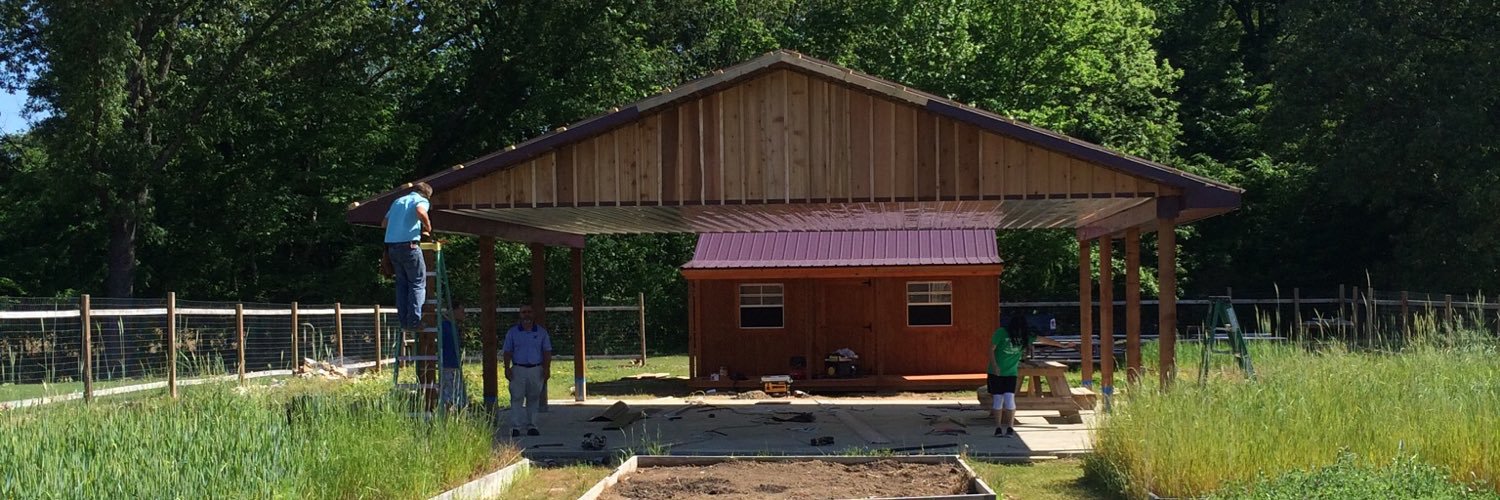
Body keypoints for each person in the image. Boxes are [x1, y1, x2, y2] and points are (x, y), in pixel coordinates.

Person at [989, 311, 1074, 437]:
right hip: (996, 373)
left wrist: (1062, 345)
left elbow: (1044, 340)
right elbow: (991, 349)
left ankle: (1010, 428)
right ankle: (998, 427)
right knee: (998, 399)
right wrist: (995, 365)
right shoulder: (1001, 332)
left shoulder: (1025, 336)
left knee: (1009, 398)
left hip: (1010, 372)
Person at [382, 182, 433, 332]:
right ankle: (415, 322)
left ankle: (404, 322)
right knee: (417, 283)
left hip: (392, 248)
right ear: (427, 195)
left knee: (402, 285)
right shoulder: (421, 200)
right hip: (409, 247)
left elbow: (384, 223)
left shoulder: (398, 201)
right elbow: (420, 211)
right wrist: (427, 226)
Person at [502, 304, 552, 438]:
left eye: (529, 312)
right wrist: (507, 368)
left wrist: (546, 368)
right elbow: (507, 352)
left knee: (534, 398)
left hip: (536, 369)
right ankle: (515, 427)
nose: (527, 315)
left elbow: (547, 351)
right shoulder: (512, 332)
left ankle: (532, 426)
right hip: (518, 369)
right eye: (524, 312)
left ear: (533, 314)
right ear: (520, 315)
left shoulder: (541, 332)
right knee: (517, 398)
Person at [438, 300, 468, 408]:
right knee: (448, 396)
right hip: (447, 365)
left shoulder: (454, 326)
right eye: (461, 311)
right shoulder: (444, 326)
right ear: (453, 311)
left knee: (458, 395)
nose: (463, 314)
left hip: (455, 365)